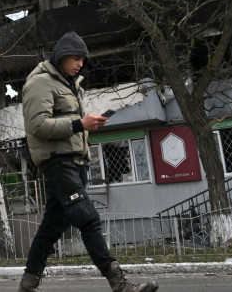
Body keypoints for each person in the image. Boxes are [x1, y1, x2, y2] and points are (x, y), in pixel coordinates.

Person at [19, 31, 158, 292]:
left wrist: (85, 126)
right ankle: (119, 284)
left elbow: (67, 126)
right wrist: (79, 123)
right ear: (61, 56)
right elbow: (37, 126)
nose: (81, 63)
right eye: (76, 58)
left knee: (51, 228)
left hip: (75, 163)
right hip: (58, 164)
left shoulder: (71, 85)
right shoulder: (40, 83)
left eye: (83, 59)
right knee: (88, 218)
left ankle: (27, 286)